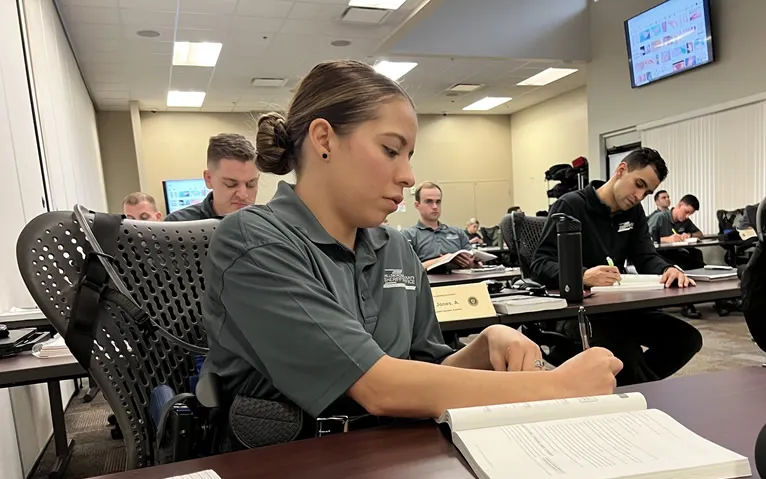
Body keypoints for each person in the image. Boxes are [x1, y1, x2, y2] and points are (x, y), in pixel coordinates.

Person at [200, 59, 623, 437]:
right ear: (324, 139)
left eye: (409, 155)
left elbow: (423, 375)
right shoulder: (252, 240)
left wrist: (484, 346)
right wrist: (557, 387)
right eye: (390, 150)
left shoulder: (396, 249)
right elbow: (380, 387)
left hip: (394, 459)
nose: (407, 175)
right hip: (289, 476)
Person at [530, 148, 702, 385]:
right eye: (638, 184)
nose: (639, 196)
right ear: (621, 170)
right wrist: (582, 275)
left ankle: (625, 389)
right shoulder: (570, 206)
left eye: (647, 192)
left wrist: (667, 269)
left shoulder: (633, 213)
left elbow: (645, 256)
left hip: (617, 308)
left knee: (686, 339)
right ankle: (638, 392)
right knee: (625, 354)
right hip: (577, 311)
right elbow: (540, 263)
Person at [166, 133, 260, 221]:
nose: (243, 195)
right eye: (231, 184)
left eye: (251, 184)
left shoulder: (267, 224)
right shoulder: (176, 225)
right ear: (209, 179)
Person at [649, 194, 704, 319]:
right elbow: (645, 239)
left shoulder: (685, 221)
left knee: (698, 260)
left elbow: (700, 234)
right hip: (661, 255)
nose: (687, 216)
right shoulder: (659, 218)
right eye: (686, 212)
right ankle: (686, 303)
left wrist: (689, 235)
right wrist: (666, 239)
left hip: (678, 253)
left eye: (690, 214)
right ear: (679, 205)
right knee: (680, 265)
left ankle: (720, 301)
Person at [402, 182, 476, 269]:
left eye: (438, 202)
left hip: (461, 281)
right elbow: (407, 269)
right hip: (429, 282)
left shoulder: (457, 232)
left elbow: (474, 262)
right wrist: (442, 260)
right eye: (429, 201)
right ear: (417, 205)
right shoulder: (408, 235)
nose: (435, 206)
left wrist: (472, 264)